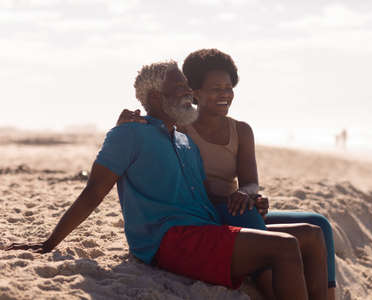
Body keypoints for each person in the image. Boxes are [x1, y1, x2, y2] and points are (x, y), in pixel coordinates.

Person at [6, 61, 326, 300]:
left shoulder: (185, 141)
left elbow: (200, 197)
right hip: (170, 240)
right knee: (283, 248)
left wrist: (248, 199)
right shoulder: (128, 134)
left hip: (206, 228)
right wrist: (50, 242)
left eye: (188, 86)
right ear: (157, 98)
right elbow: (92, 193)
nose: (189, 92)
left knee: (310, 234)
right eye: (181, 88)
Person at [118, 49, 336, 300]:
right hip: (205, 213)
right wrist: (127, 121)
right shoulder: (179, 127)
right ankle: (270, 287)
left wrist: (249, 194)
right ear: (195, 92)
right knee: (252, 217)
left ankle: (328, 297)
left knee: (319, 224)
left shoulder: (241, 130)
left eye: (228, 87)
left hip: (233, 208)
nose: (225, 94)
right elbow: (151, 126)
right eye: (215, 88)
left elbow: (250, 182)